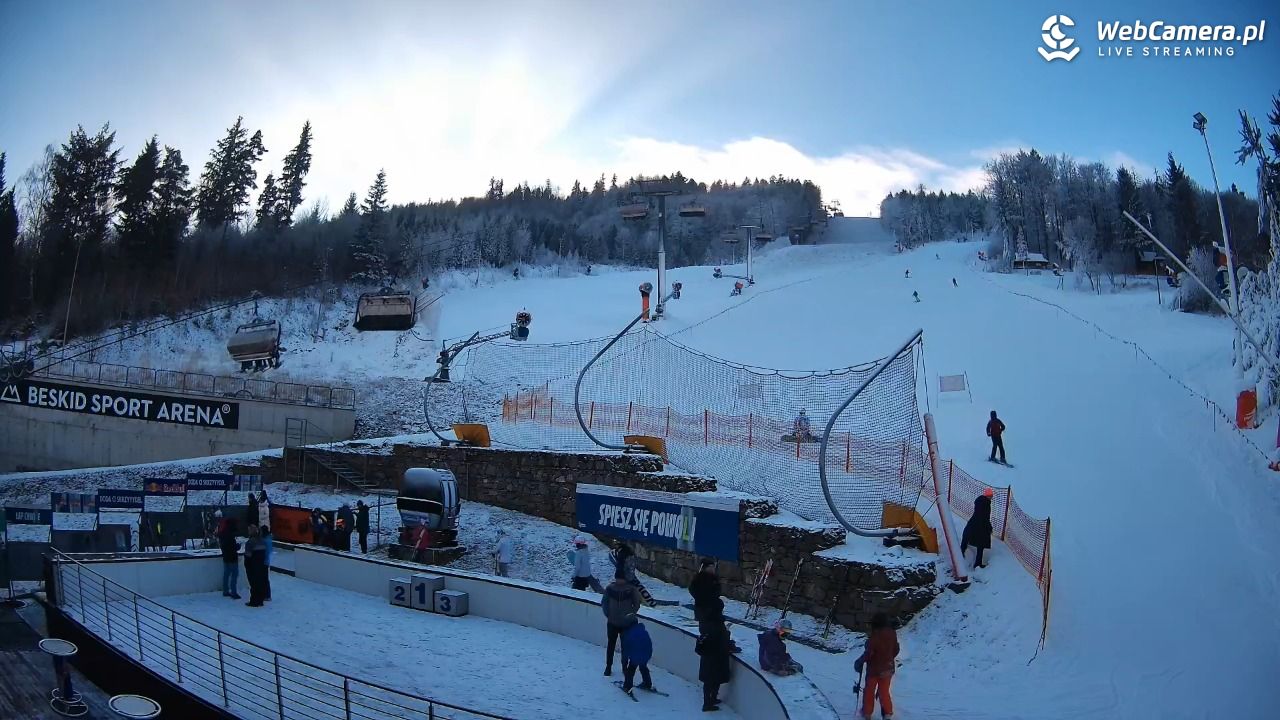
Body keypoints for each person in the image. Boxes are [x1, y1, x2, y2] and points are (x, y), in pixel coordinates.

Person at [854, 613, 900, 720]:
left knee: (869, 691)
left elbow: (869, 654)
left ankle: (867, 713)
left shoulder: (875, 636)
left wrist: (859, 662)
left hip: (874, 670)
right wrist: (888, 657)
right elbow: (896, 649)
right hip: (888, 669)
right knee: (884, 691)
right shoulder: (892, 633)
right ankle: (888, 713)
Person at [601, 566, 642, 676]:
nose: (620, 580)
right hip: (613, 622)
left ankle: (624, 667)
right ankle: (608, 666)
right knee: (611, 645)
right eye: (618, 578)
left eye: (621, 578)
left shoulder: (631, 589)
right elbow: (604, 603)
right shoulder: (610, 588)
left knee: (625, 647)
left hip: (626, 624)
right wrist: (608, 614)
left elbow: (637, 603)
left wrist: (630, 614)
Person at [697, 614, 732, 712]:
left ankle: (709, 701)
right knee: (715, 682)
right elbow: (725, 644)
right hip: (717, 661)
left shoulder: (705, 631)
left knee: (708, 683)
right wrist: (728, 632)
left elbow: (699, 648)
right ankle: (709, 702)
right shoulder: (720, 632)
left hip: (706, 661)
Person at [960, 488, 994, 568]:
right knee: (981, 544)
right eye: (991, 495)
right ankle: (977, 563)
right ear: (988, 496)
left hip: (973, 522)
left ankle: (961, 551)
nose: (992, 497)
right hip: (981, 526)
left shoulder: (979, 501)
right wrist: (989, 527)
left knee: (966, 535)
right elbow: (985, 517)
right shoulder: (986, 503)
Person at [689, 558, 724, 635]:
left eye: (713, 567)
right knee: (706, 631)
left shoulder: (714, 578)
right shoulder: (699, 578)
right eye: (710, 567)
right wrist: (703, 599)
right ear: (705, 568)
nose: (713, 569)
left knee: (716, 632)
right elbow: (693, 590)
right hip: (704, 610)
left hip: (714, 610)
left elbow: (717, 592)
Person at [620, 621, 655, 693]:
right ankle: (647, 684)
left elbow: (626, 648)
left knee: (630, 671)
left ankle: (627, 687)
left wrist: (626, 659)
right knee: (643, 667)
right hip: (646, 655)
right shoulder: (644, 632)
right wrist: (648, 655)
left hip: (635, 656)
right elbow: (649, 645)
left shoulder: (630, 634)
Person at [243, 525, 267, 607]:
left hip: (252, 566)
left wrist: (246, 565)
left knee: (253, 584)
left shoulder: (250, 542)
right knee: (260, 582)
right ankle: (260, 600)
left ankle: (254, 601)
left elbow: (248, 555)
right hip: (262, 565)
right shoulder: (262, 541)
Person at [218, 518, 241, 600]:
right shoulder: (230, 536)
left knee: (226, 574)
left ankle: (225, 590)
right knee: (234, 575)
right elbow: (233, 547)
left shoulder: (222, 534)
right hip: (233, 557)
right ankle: (233, 592)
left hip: (225, 557)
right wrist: (238, 546)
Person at [261, 524, 274, 601]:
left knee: (264, 579)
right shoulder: (268, 539)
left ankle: (266, 595)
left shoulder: (265, 540)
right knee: (265, 578)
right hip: (266, 561)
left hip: (264, 561)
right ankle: (267, 594)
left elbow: (266, 551)